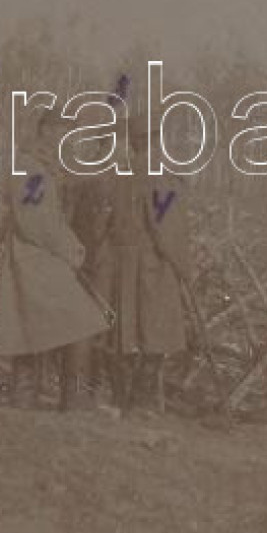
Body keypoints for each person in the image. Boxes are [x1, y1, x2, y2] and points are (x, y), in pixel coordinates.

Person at [0, 111, 111, 411]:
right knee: (83, 322)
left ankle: (25, 399)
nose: (65, 142)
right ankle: (75, 401)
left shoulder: (38, 167)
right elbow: (36, 222)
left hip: (37, 260)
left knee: (30, 328)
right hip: (36, 261)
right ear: (46, 132)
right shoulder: (32, 170)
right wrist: (72, 249)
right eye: (61, 134)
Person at [83, 119, 193, 416]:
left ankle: (124, 399)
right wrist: (185, 269)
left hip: (123, 266)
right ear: (154, 140)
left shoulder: (122, 173)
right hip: (152, 266)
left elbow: (103, 225)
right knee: (156, 334)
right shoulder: (159, 174)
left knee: (125, 336)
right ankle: (141, 403)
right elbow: (166, 229)